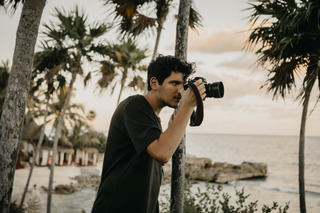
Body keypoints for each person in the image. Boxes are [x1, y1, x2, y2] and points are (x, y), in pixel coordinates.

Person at [91, 55, 206, 213]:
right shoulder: (135, 105)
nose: (180, 91)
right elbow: (162, 153)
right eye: (174, 83)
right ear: (154, 83)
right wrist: (187, 107)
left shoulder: (152, 118)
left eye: (183, 85)